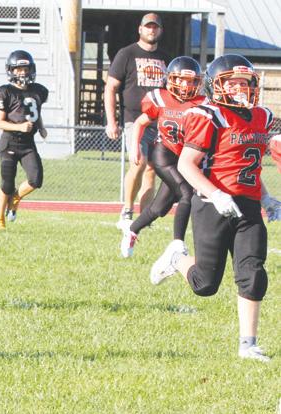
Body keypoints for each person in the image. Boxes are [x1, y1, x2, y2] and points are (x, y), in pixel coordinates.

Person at [150, 54, 277, 363]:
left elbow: (247, 166)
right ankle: (177, 259)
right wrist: (216, 194)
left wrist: (267, 198)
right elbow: (186, 164)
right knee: (205, 284)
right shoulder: (208, 115)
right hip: (211, 204)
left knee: (253, 273)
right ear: (216, 86)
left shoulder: (261, 116)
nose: (239, 88)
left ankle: (248, 345)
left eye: (244, 83)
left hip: (248, 206)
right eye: (232, 83)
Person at [119, 56, 205, 258]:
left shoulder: (202, 103)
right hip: (164, 155)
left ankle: (132, 230)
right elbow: (140, 122)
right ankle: (178, 243)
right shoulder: (160, 97)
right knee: (187, 194)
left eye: (191, 81)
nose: (186, 85)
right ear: (171, 79)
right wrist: (134, 148)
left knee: (159, 208)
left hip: (186, 158)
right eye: (182, 80)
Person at [106, 12, 171, 229]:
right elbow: (111, 87)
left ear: (160, 30)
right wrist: (112, 121)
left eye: (155, 27)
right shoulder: (127, 54)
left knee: (153, 169)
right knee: (139, 162)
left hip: (159, 121)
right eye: (148, 26)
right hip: (134, 120)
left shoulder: (165, 57)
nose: (151, 30)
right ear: (140, 29)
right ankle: (126, 210)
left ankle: (144, 219)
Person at [0, 50, 48, 230]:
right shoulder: (5, 92)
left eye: (26, 69)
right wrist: (19, 127)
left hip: (28, 144)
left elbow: (35, 112)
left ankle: (15, 198)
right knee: (7, 184)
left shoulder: (38, 91)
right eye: (19, 69)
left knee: (36, 179)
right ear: (11, 71)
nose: (23, 73)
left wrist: (41, 126)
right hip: (10, 142)